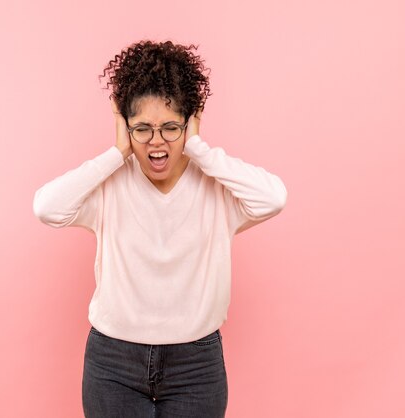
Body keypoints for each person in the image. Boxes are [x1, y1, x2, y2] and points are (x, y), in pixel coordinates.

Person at [32, 39, 287, 418]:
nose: (157, 143)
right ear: (125, 127)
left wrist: (198, 147)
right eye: (142, 129)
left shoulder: (216, 188)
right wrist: (116, 153)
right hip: (113, 364)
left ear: (190, 122)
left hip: (196, 366)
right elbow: (46, 207)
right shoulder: (109, 186)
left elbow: (273, 197)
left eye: (171, 127)